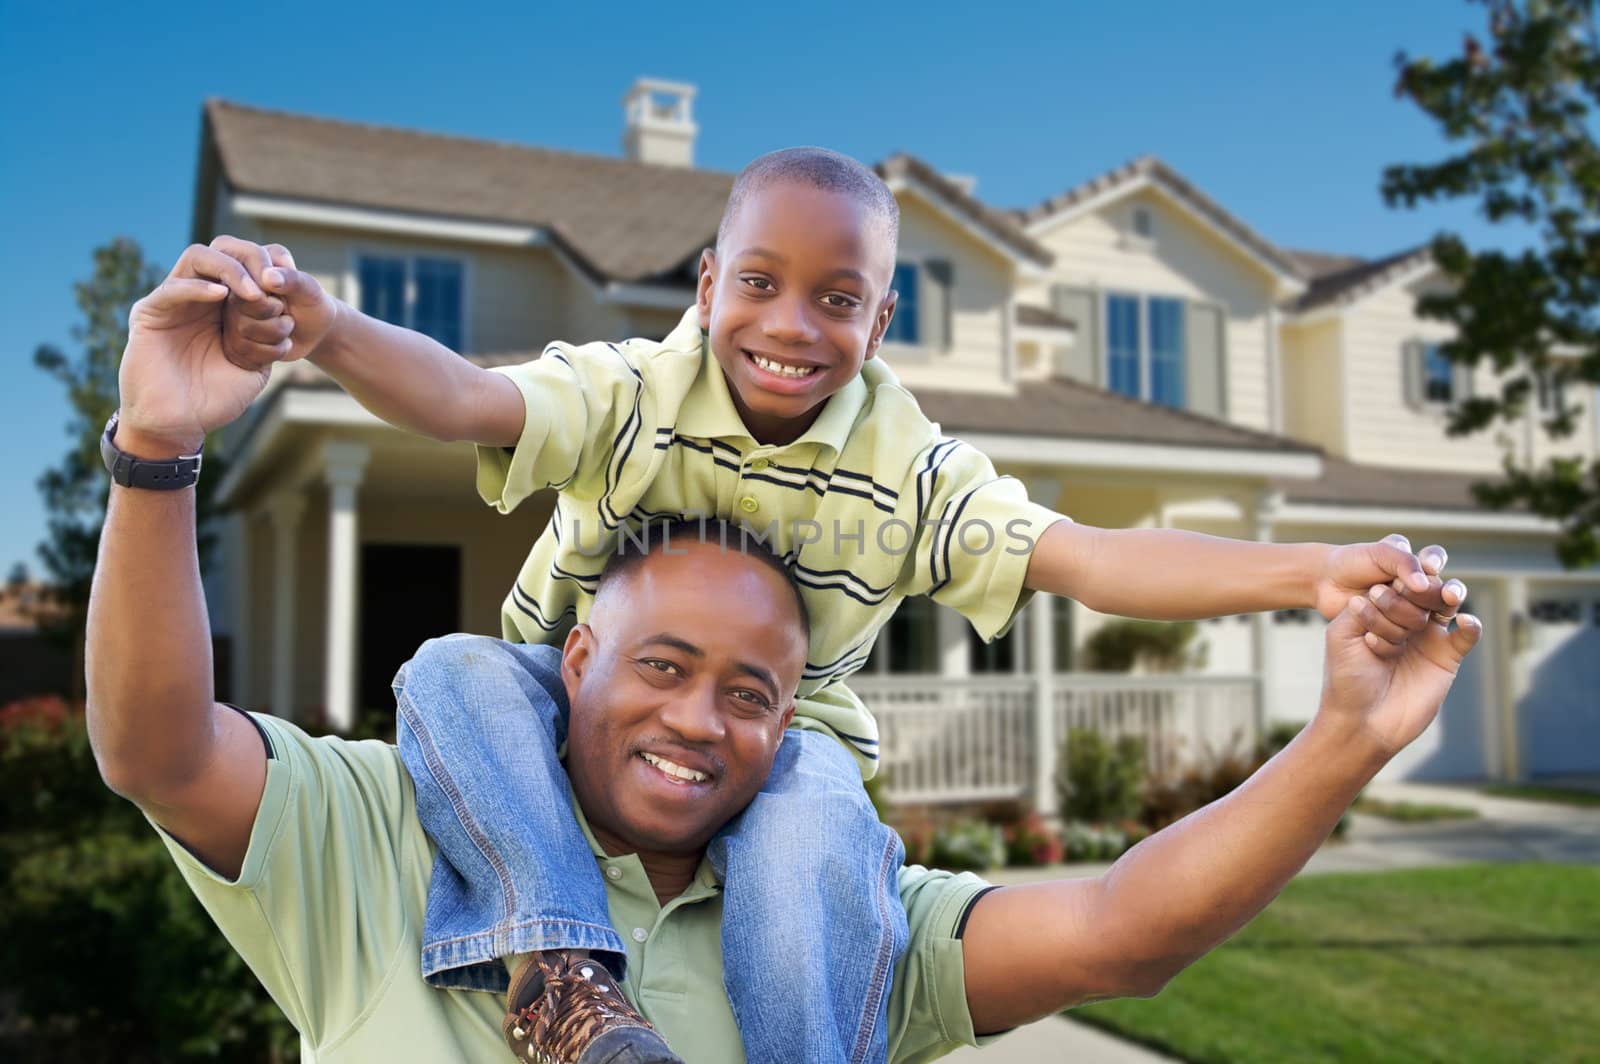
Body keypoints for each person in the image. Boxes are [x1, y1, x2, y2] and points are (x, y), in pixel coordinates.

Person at [201, 147, 1461, 1064]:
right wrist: (329, 328)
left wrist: (1304, 571)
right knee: (453, 669)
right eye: (758, 283)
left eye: (837, 299)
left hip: (786, 732)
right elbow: (471, 400)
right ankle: (561, 973)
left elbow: (1084, 557)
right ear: (705, 285)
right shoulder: (635, 390)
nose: (791, 326)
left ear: (883, 316)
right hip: (558, 699)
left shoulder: (909, 468)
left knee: (813, 839)